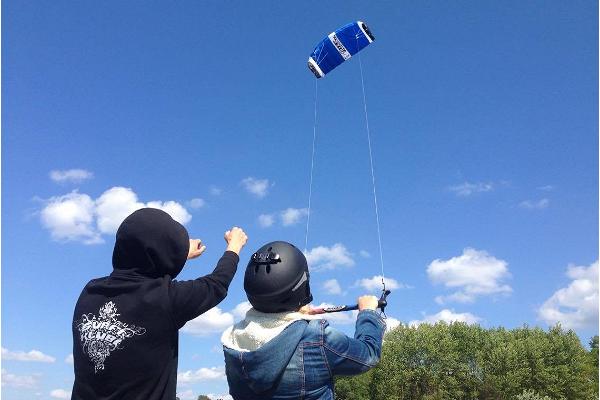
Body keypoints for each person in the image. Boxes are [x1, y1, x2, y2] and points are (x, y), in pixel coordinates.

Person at [71, 207, 248, 400]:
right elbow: (217, 284)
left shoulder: (89, 292)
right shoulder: (165, 299)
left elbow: (142, 265)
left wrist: (176, 253)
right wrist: (234, 247)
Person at [221, 241, 385, 400]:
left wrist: (296, 316)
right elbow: (368, 355)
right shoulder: (317, 338)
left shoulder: (233, 341)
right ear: (302, 287)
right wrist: (368, 312)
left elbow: (274, 327)